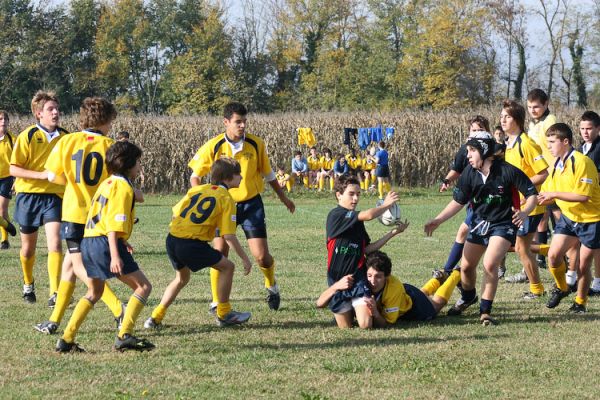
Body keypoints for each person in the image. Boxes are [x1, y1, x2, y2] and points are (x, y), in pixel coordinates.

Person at [188, 102, 295, 312]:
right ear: (226, 122)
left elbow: (269, 174)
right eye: (238, 122)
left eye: (245, 121)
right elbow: (195, 176)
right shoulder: (214, 145)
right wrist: (201, 196)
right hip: (222, 205)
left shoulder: (256, 144)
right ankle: (217, 300)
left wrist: (284, 198)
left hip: (251, 204)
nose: (243, 125)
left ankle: (271, 286)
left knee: (261, 256)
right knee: (219, 252)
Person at [425, 132, 538, 325]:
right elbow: (458, 201)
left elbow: (532, 194)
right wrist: (438, 220)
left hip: (503, 224)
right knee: (467, 268)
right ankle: (469, 297)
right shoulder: (469, 173)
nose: (467, 155)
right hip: (479, 223)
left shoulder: (507, 171)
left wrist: (525, 212)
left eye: (472, 150)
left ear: (484, 150)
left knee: (490, 264)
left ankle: (485, 311)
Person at [34, 97, 125, 335]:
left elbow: (52, 176)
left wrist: (73, 184)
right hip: (99, 215)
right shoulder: (110, 145)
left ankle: (118, 309)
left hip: (74, 212)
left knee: (79, 267)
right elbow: (116, 182)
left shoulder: (67, 141)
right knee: (69, 268)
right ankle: (54, 321)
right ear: (105, 120)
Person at [56, 141, 154, 352]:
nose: (140, 167)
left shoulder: (107, 183)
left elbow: (103, 216)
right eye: (138, 162)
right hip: (104, 242)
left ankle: (66, 339)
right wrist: (115, 252)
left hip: (89, 240)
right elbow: (114, 221)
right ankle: (124, 335)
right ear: (128, 164)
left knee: (95, 291)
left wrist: (122, 239)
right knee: (144, 287)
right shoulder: (123, 187)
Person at [144, 158, 253, 329]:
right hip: (191, 244)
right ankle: (224, 314)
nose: (241, 177)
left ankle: (155, 317)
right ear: (227, 178)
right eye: (238, 174)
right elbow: (229, 236)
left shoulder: (198, 189)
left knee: (181, 278)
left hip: (172, 239)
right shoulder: (226, 198)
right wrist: (245, 259)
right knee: (228, 267)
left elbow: (175, 213)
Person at [315, 174, 406, 328]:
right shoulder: (335, 215)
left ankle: (356, 307)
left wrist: (394, 233)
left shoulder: (357, 222)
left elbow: (367, 249)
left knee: (365, 325)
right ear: (339, 195)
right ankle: (346, 305)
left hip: (357, 278)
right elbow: (369, 215)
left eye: (358, 194)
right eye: (351, 194)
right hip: (337, 279)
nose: (355, 199)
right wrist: (386, 204)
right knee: (346, 327)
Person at [10, 91, 68, 304]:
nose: (55, 113)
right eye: (50, 109)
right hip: (28, 197)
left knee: (55, 243)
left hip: (53, 197)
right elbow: (14, 169)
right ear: (38, 114)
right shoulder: (28, 136)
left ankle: (55, 292)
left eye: (57, 109)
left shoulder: (65, 137)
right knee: (28, 249)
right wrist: (42, 175)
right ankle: (28, 284)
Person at [538, 123, 600, 313]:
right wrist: (526, 202)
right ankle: (563, 287)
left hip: (591, 219)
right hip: (569, 217)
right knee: (554, 256)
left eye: (551, 142)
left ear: (565, 142)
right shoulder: (557, 164)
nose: (548, 146)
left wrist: (554, 195)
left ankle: (580, 303)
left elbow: (584, 197)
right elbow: (545, 191)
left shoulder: (582, 162)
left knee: (583, 265)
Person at [326, 250, 462, 328]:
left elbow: (387, 323)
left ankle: (456, 273)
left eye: (378, 277)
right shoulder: (364, 280)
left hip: (414, 306)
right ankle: (437, 278)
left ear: (387, 276)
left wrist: (375, 313)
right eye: (369, 275)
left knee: (436, 304)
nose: (372, 281)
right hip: (406, 292)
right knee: (420, 294)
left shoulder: (393, 289)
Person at [501, 100, 549, 299]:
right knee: (518, 245)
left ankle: (536, 290)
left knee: (521, 247)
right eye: (501, 116)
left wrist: (524, 187)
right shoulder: (508, 145)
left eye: (507, 116)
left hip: (530, 207)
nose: (503, 120)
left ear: (518, 120)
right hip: (514, 206)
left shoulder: (526, 144)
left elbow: (543, 173)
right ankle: (560, 250)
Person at [438, 116, 490, 282]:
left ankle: (447, 270)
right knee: (470, 234)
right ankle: (450, 270)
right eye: (473, 130)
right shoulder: (465, 150)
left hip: (490, 204)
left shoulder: (493, 152)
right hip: (473, 200)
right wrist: (447, 180)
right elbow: (457, 169)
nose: (476, 133)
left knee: (466, 232)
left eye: (480, 129)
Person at [526, 89, 558, 272]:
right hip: (540, 177)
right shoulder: (534, 123)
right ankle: (541, 257)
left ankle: (565, 256)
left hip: (551, 175)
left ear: (546, 104)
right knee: (542, 217)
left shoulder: (550, 121)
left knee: (557, 217)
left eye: (536, 106)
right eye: (530, 107)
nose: (533, 110)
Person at [579, 111, 600, 296]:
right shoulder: (581, 148)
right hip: (587, 204)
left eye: (589, 128)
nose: (585, 132)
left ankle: (598, 283)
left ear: (598, 129)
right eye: (582, 128)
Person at [0, 110, 16, 249]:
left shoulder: (12, 139)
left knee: (2, 209)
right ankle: (6, 225)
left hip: (6, 178)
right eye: (0, 119)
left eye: (5, 119)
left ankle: (4, 241)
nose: (3, 121)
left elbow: (19, 162)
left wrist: (16, 181)